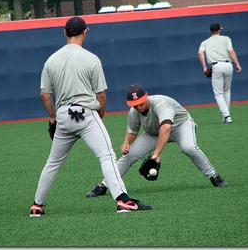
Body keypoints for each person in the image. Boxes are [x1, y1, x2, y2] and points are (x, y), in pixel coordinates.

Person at [30, 17, 152, 217]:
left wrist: (53, 117)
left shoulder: (51, 59)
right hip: (86, 114)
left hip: (63, 116)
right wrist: (101, 116)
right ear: (85, 32)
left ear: (65, 33)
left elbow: (44, 94)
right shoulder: (91, 58)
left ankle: (37, 205)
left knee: (53, 162)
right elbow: (101, 95)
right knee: (107, 156)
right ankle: (123, 200)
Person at [86, 84, 228, 198]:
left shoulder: (161, 103)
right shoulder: (134, 111)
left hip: (180, 126)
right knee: (129, 155)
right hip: (153, 132)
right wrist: (126, 143)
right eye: (134, 104)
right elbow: (132, 131)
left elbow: (166, 128)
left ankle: (214, 176)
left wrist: (156, 155)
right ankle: (104, 185)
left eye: (140, 102)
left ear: (146, 96)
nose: (138, 106)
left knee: (189, 147)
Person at [198, 22, 242, 123]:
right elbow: (231, 51)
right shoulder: (226, 39)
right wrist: (237, 64)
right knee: (227, 91)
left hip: (216, 66)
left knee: (218, 94)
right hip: (228, 65)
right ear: (219, 30)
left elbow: (200, 53)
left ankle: (226, 115)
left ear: (210, 31)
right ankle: (226, 115)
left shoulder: (205, 42)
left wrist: (204, 67)